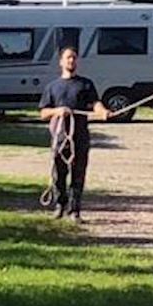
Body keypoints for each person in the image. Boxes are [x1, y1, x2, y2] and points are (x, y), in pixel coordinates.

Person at [38, 45, 109, 220]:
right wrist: (58, 111)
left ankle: (75, 210)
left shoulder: (85, 84)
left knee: (78, 174)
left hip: (80, 136)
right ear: (61, 62)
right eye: (68, 57)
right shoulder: (53, 87)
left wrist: (103, 111)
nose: (72, 60)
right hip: (61, 138)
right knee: (59, 174)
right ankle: (60, 206)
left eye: (74, 58)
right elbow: (43, 113)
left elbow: (95, 103)